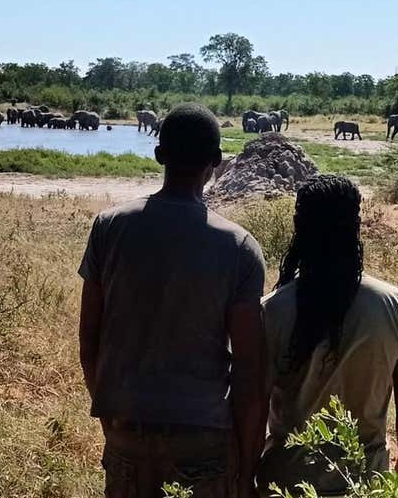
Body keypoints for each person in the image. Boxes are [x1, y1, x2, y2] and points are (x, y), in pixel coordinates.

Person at [78, 103, 267, 498]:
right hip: (201, 438)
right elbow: (250, 372)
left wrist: (111, 415)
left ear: (159, 154)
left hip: (126, 428)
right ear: (216, 161)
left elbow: (89, 340)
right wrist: (247, 470)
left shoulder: (110, 227)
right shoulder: (238, 246)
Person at [257, 175, 398, 495]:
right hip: (364, 483)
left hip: (285, 483)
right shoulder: (396, 306)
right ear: (355, 226)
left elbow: (252, 409)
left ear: (299, 228)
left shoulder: (271, 311)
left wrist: (242, 479)